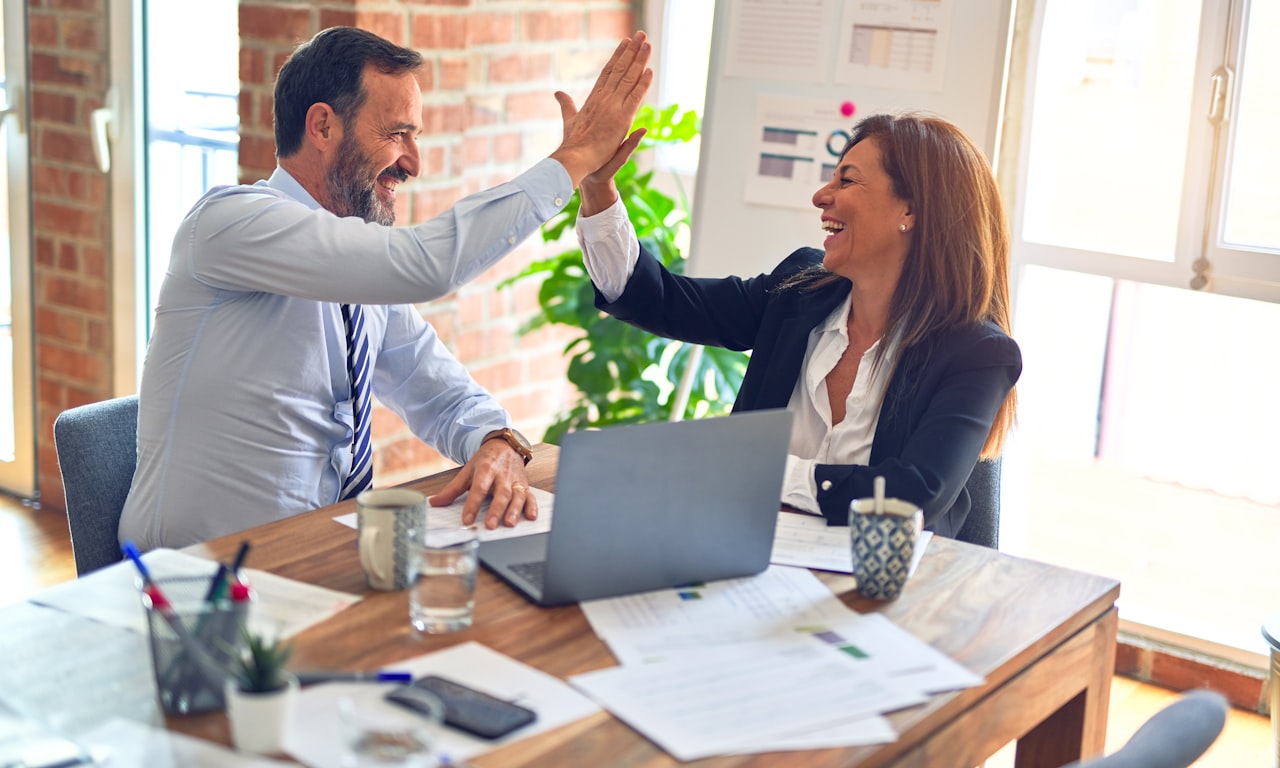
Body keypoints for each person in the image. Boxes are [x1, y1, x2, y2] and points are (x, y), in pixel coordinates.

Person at [119, 26, 652, 549]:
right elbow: (427, 265)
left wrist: (497, 440)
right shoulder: (229, 223)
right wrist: (575, 159)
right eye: (398, 133)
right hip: (195, 583)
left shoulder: (358, 273)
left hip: (317, 560)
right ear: (323, 127)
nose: (413, 163)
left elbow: (439, 391)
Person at [575, 112, 1020, 537]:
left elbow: (910, 497)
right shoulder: (799, 291)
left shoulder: (977, 353)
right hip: (746, 558)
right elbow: (660, 300)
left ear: (911, 211)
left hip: (884, 592)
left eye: (846, 180)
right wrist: (598, 188)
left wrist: (760, 470)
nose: (821, 196)